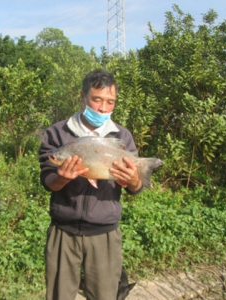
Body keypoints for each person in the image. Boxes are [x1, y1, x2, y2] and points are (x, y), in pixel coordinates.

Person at [39, 69, 143, 300]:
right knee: (58, 295)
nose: (103, 108)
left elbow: (135, 188)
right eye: (97, 99)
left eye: (110, 102)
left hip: (105, 233)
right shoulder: (58, 133)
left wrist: (135, 180)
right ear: (83, 97)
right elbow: (48, 181)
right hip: (63, 231)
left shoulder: (122, 136)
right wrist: (62, 178)